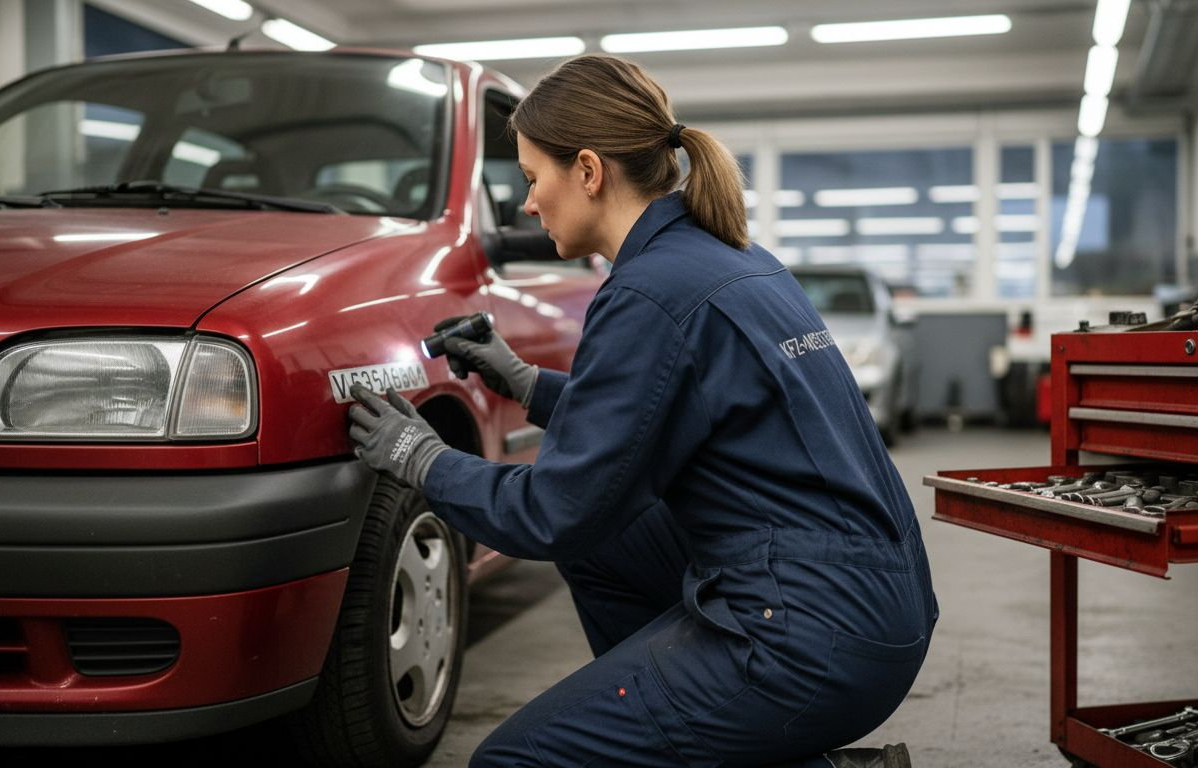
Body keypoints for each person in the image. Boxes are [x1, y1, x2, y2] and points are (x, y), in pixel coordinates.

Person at [348, 54, 936, 768]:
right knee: (600, 542)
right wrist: (527, 382)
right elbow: (653, 419)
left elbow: (551, 511)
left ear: (590, 172)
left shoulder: (645, 295)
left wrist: (423, 460)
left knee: (513, 762)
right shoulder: (730, 257)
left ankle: (684, 723)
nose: (529, 205)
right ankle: (682, 725)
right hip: (877, 605)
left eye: (534, 179)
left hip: (807, 638)